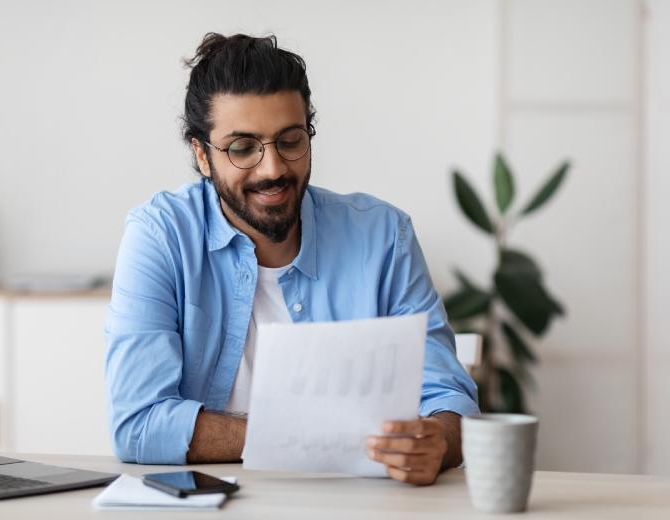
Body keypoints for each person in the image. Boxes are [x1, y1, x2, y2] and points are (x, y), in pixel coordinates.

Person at [105, 33, 479, 486]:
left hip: (360, 505)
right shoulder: (160, 236)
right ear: (202, 155)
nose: (272, 168)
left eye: (290, 140)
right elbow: (138, 424)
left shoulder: (384, 236)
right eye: (242, 147)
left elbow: (448, 399)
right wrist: (304, 437)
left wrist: (436, 440)